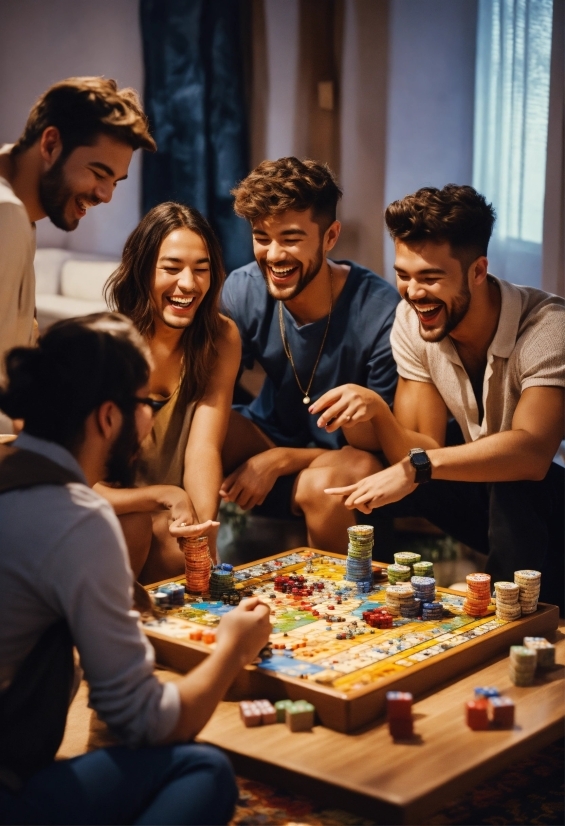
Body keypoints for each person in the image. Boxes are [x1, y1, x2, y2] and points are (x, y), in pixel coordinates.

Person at [0, 313, 271, 825]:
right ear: (107, 418)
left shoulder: (12, 474)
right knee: (204, 770)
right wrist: (235, 646)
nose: (150, 420)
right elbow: (149, 723)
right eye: (147, 403)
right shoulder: (76, 518)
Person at [321, 184, 565, 611]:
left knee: (513, 484)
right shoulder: (414, 320)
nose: (414, 292)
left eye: (431, 277)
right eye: (404, 274)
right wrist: (379, 413)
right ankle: (374, 605)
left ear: (477, 270)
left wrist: (421, 465)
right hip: (496, 499)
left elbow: (532, 453)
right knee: (387, 472)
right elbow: (420, 450)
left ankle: (505, 622)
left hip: (549, 500)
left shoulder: (549, 328)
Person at [220, 157, 400, 551]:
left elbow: (373, 445)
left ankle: (336, 606)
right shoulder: (244, 289)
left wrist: (281, 461)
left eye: (291, 238)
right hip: (267, 435)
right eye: (261, 237)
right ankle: (191, 574)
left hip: (345, 457)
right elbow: (210, 394)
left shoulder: (382, 313)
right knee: (190, 424)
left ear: (330, 236)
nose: (273, 255)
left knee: (337, 479)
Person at [0, 76, 156, 422]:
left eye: (114, 181)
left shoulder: (22, 215)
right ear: (51, 144)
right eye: (98, 172)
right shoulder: (5, 212)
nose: (105, 195)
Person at [102, 203, 241, 580]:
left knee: (183, 554)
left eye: (201, 269)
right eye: (171, 267)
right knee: (133, 527)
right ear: (143, 269)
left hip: (166, 517)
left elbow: (204, 446)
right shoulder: (107, 345)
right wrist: (164, 496)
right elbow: (77, 487)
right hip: (106, 515)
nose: (188, 284)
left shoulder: (221, 337)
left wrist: (204, 532)